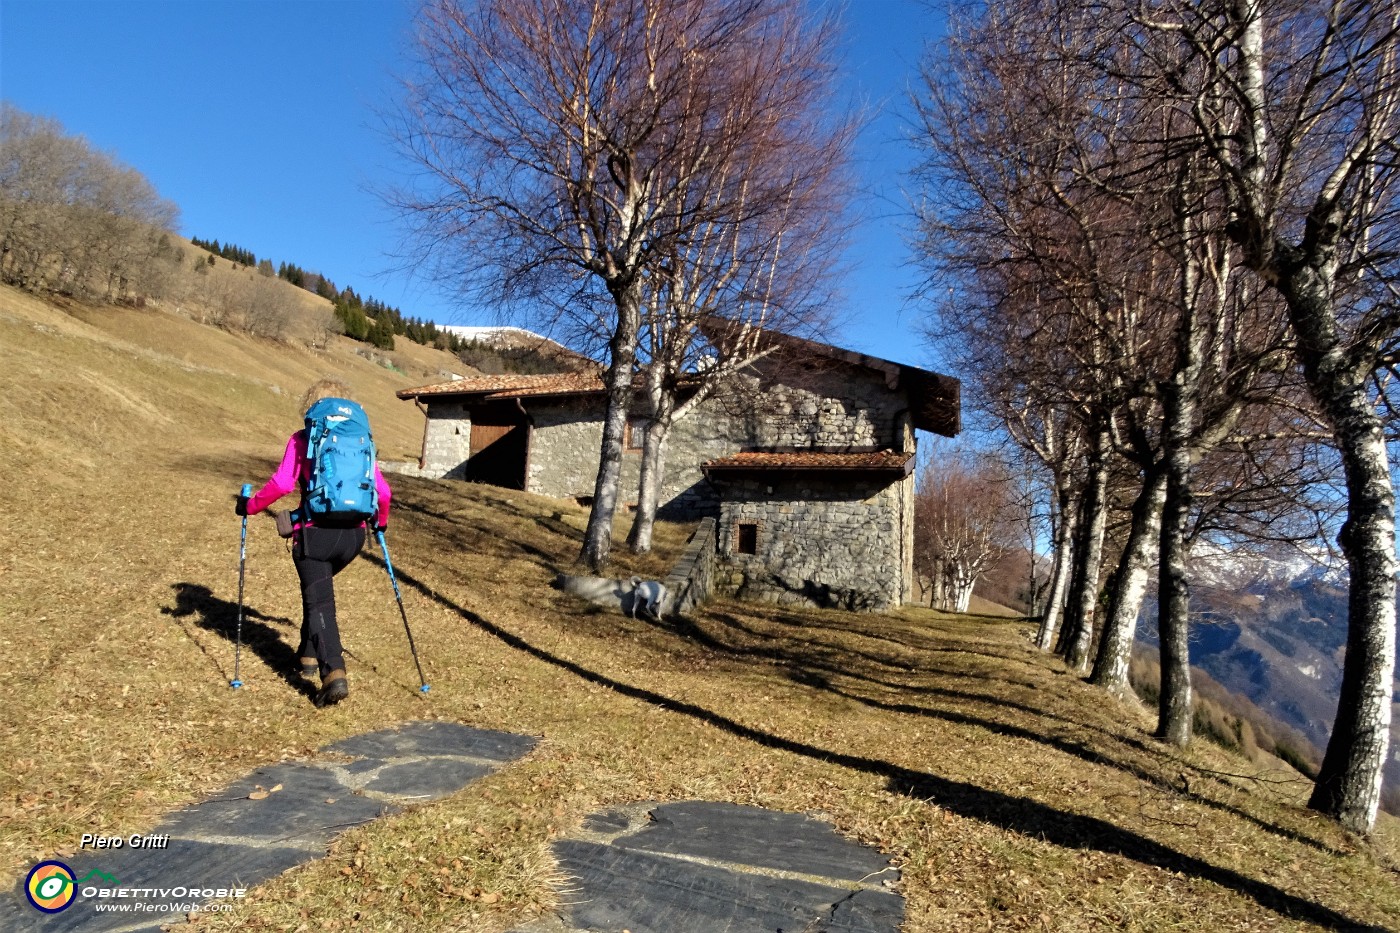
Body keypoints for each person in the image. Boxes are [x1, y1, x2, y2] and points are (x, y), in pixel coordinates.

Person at [235, 380, 392, 707]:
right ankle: (307, 658)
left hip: (314, 534)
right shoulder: (363, 441)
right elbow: (384, 493)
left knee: (319, 603)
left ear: (312, 406)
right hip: (353, 537)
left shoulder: (304, 437)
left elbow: (281, 483)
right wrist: (381, 523)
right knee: (316, 592)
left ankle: (333, 673)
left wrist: (249, 506)